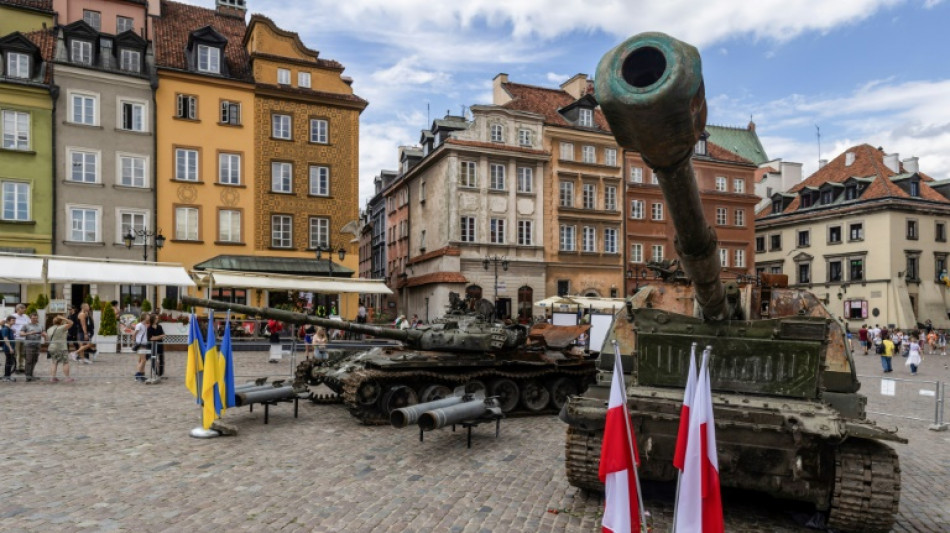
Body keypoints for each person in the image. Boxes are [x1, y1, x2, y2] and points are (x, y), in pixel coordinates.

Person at [18, 312, 45, 382]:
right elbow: (21, 334)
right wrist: (29, 333)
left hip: (37, 345)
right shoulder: (26, 325)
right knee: (29, 361)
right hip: (29, 346)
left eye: (36, 318)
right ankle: (28, 376)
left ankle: (31, 374)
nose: (34, 319)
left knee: (35, 360)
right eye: (33, 318)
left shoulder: (40, 325)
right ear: (30, 318)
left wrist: (44, 335)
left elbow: (44, 332)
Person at [47, 316, 73, 383]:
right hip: (61, 347)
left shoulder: (50, 329)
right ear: (61, 321)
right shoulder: (62, 327)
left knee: (54, 362)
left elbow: (47, 338)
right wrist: (64, 318)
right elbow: (71, 323)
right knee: (65, 362)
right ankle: (67, 377)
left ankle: (53, 377)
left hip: (52, 347)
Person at [146, 314, 167, 381]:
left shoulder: (159, 327)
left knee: (161, 359)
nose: (157, 319)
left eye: (157, 318)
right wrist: (159, 336)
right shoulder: (149, 328)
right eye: (156, 318)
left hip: (160, 345)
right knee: (154, 359)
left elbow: (163, 335)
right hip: (152, 345)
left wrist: (157, 337)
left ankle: (160, 374)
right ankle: (156, 372)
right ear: (153, 319)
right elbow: (150, 338)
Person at [133, 313, 149, 382]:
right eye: (148, 316)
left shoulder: (144, 325)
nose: (149, 317)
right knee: (143, 360)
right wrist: (135, 342)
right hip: (140, 345)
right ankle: (138, 375)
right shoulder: (139, 325)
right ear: (144, 317)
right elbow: (135, 334)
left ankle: (142, 375)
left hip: (144, 344)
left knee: (141, 360)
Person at [11, 303, 28, 373]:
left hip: (24, 338)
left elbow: (29, 324)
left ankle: (21, 367)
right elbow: (3, 322)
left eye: (24, 308)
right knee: (16, 353)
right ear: (18, 309)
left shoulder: (26, 316)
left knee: (22, 353)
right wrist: (11, 329)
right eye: (23, 308)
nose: (24, 309)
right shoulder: (13, 316)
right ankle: (15, 367)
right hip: (16, 338)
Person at [1, 315, 16, 381]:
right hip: (8, 348)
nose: (14, 322)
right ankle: (6, 377)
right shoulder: (5, 329)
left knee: (10, 362)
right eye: (13, 320)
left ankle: (7, 376)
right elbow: (5, 338)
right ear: (8, 321)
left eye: (14, 320)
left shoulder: (9, 329)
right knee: (8, 362)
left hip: (11, 347)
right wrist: (10, 348)